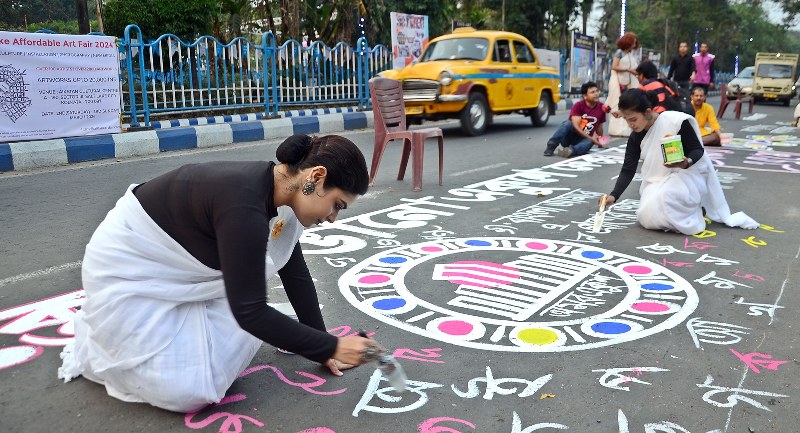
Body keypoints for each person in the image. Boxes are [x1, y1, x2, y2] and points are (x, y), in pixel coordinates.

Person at [59, 134, 385, 413]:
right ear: (317, 176)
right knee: (191, 390)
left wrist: (322, 343)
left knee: (252, 331)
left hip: (183, 277)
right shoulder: (243, 204)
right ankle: (102, 344)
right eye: (337, 204)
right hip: (129, 272)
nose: (332, 218)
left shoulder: (282, 192)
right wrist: (331, 348)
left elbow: (294, 271)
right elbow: (250, 312)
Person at [599, 89, 758, 235]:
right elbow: (628, 168)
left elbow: (697, 149)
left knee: (666, 197)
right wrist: (614, 195)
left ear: (647, 112)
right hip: (656, 181)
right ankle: (687, 211)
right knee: (646, 214)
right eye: (626, 120)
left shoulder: (675, 121)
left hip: (687, 175)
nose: (630, 125)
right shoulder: (636, 135)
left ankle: (696, 212)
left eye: (633, 119)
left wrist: (685, 162)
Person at [544, 81, 608, 158]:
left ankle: (570, 151)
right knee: (568, 123)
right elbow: (576, 127)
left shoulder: (601, 107)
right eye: (592, 92)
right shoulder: (578, 105)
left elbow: (599, 127)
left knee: (590, 142)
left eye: (597, 91)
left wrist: (600, 142)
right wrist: (592, 138)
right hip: (569, 138)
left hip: (584, 140)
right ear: (585, 96)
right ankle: (551, 146)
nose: (596, 94)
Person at [606, 32, 640, 136]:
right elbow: (614, 66)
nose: (634, 45)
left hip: (629, 84)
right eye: (633, 43)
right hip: (619, 83)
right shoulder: (619, 53)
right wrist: (628, 70)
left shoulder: (630, 54)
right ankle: (616, 129)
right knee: (618, 105)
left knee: (628, 106)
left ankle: (627, 128)